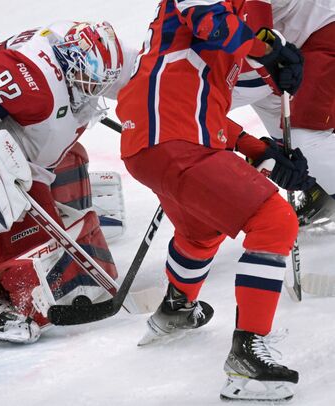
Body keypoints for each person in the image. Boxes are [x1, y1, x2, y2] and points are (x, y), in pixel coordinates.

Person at [116, 0, 312, 401]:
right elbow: (213, 25)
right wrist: (270, 51)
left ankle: (176, 307)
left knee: (201, 232)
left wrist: (259, 149)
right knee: (274, 220)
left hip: (165, 140)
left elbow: (206, 108)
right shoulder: (218, 17)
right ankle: (248, 357)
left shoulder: (219, 45)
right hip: (172, 138)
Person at [0, 21, 135, 343]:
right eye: (89, 77)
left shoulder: (59, 36)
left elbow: (133, 66)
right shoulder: (46, 101)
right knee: (33, 256)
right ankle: (16, 298)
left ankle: (56, 231)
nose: (92, 85)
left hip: (0, 151)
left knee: (70, 157)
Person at [232, 0, 335, 227]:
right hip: (288, 43)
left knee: (306, 139)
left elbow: (258, 40)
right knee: (286, 132)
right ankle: (319, 187)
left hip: (321, 31)